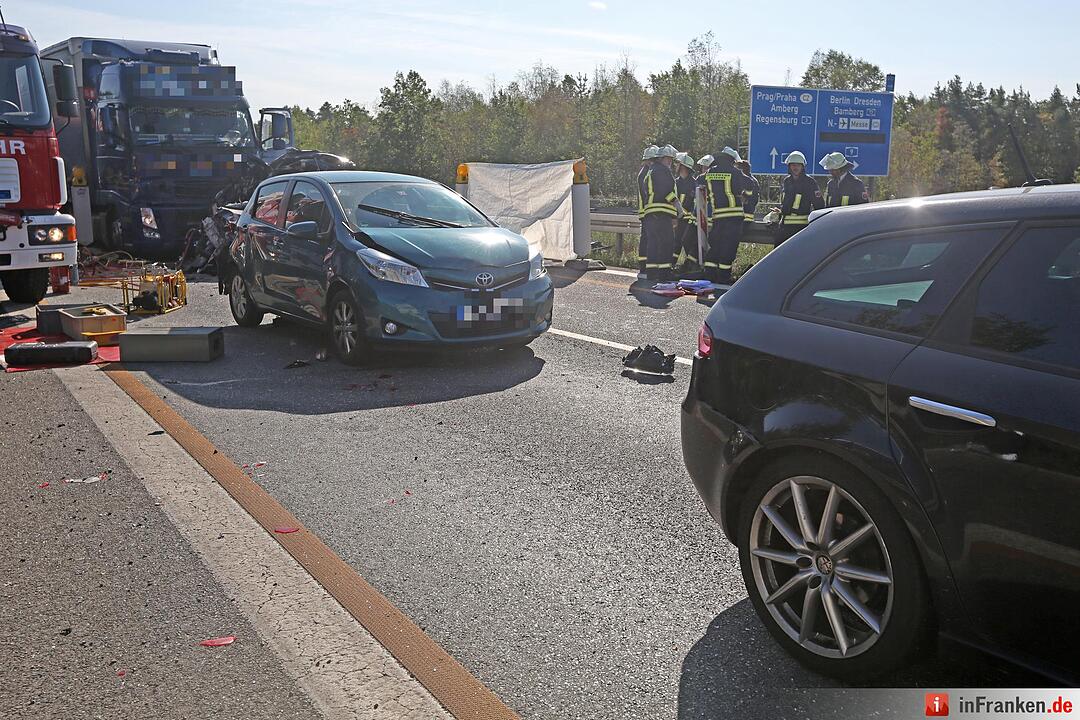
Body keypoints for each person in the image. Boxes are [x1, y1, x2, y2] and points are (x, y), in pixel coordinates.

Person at [699, 146, 754, 285]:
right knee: (728, 247)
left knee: (715, 246)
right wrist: (745, 196)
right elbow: (750, 184)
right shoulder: (734, 172)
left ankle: (710, 274)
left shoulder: (710, 172)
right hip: (734, 216)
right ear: (731, 160)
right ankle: (723, 277)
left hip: (718, 217)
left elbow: (698, 183)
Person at [640, 145, 683, 281]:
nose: (670, 162)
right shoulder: (662, 171)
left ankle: (652, 273)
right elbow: (666, 191)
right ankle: (664, 272)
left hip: (650, 213)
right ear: (663, 158)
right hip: (662, 213)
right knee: (666, 242)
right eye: (669, 159)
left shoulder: (651, 170)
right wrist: (677, 206)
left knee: (653, 243)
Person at [776, 150, 824, 245]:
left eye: (798, 165)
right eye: (793, 165)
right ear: (789, 166)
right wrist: (780, 211)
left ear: (802, 166)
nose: (795, 167)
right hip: (784, 227)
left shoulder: (810, 182)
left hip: (801, 227)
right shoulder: (787, 181)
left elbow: (819, 205)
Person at [673, 152, 700, 272]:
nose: (675, 166)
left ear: (683, 166)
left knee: (688, 242)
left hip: (690, 221)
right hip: (677, 219)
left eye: (677, 163)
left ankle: (692, 267)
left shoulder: (694, 184)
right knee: (676, 243)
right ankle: (671, 265)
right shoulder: (675, 182)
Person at [636, 145, 660, 276]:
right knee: (648, 238)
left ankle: (644, 265)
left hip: (644, 210)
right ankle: (645, 265)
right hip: (647, 211)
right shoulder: (646, 173)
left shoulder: (644, 172)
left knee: (646, 238)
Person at [735, 158, 759, 226]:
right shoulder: (753, 180)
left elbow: (747, 198)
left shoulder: (746, 181)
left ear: (741, 169)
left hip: (742, 216)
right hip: (748, 216)